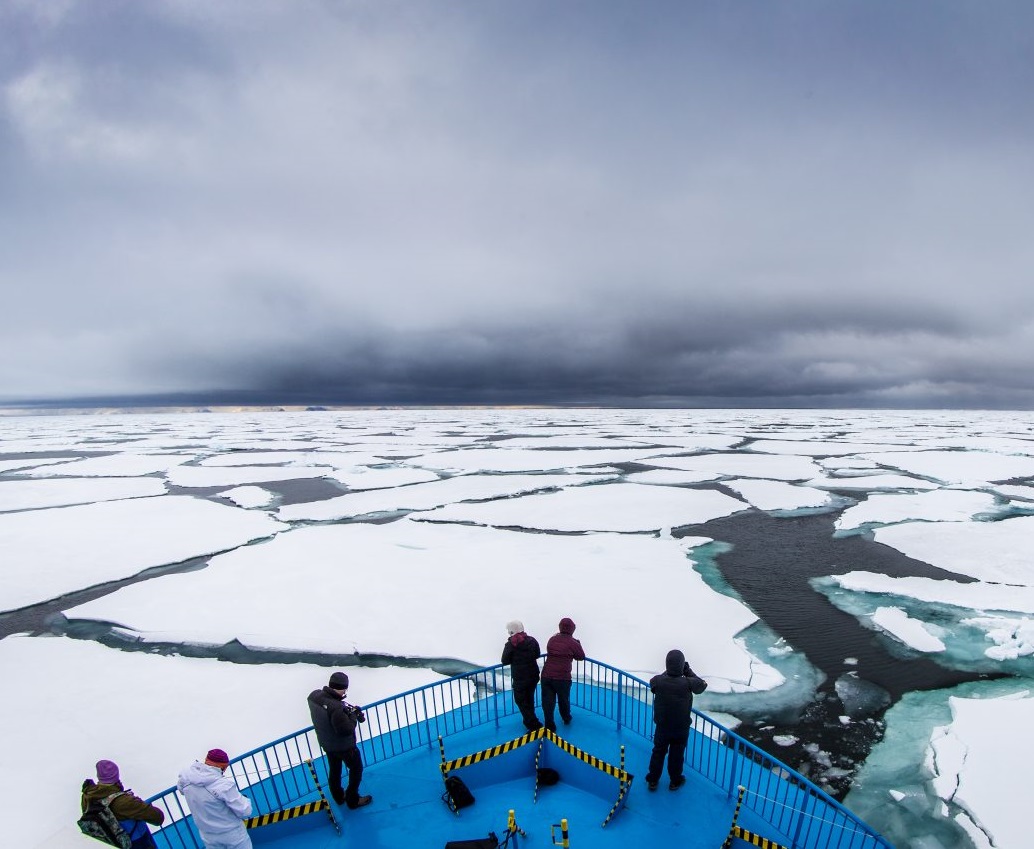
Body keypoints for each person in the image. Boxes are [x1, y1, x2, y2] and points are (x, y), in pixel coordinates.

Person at [307, 671, 373, 809]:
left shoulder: (314, 696)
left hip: (327, 744)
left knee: (335, 770)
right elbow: (346, 730)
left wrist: (345, 712)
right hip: (344, 747)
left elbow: (328, 712)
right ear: (343, 688)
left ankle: (338, 797)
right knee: (356, 769)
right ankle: (352, 799)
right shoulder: (336, 708)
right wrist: (353, 716)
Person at [645, 649, 708, 792]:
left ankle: (653, 780)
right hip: (681, 728)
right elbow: (702, 685)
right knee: (677, 755)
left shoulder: (658, 681)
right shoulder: (688, 683)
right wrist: (688, 671)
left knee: (658, 752)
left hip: (662, 726)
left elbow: (655, 682)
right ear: (681, 666)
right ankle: (675, 781)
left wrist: (670, 671)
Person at [176, 748, 253, 849]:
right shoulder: (223, 785)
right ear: (222, 766)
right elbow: (245, 811)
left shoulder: (186, 777)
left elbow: (181, 790)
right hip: (233, 835)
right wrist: (244, 799)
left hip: (208, 836)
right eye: (225, 768)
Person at [81, 759, 164, 849]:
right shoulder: (124, 801)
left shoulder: (88, 796)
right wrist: (137, 802)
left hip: (110, 844)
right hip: (137, 843)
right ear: (116, 776)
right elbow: (158, 817)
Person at [540, 617, 585, 733]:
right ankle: (566, 718)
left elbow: (550, 649)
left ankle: (549, 725)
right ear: (572, 629)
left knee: (547, 702)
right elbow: (581, 656)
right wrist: (577, 644)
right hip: (562, 678)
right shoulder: (572, 642)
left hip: (546, 675)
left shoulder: (552, 639)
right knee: (563, 700)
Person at [501, 620, 542, 731]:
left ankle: (532, 723)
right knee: (529, 697)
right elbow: (537, 654)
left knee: (520, 700)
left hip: (520, 678)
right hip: (533, 675)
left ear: (511, 631)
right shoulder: (532, 640)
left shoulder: (511, 644)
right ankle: (530, 719)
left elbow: (504, 660)